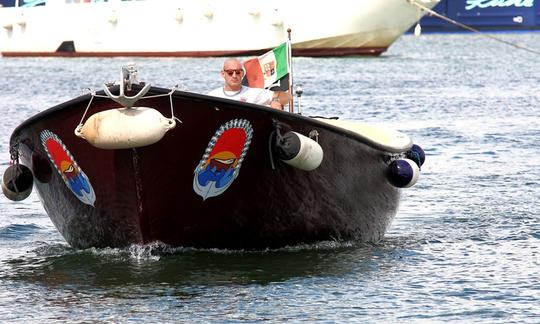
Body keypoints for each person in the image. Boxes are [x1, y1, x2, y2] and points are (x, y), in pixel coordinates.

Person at [207, 58, 292, 110]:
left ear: (242, 73)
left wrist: (275, 101)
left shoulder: (253, 93)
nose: (234, 76)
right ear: (223, 74)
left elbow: (288, 97)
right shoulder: (212, 96)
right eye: (230, 73)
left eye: (237, 72)